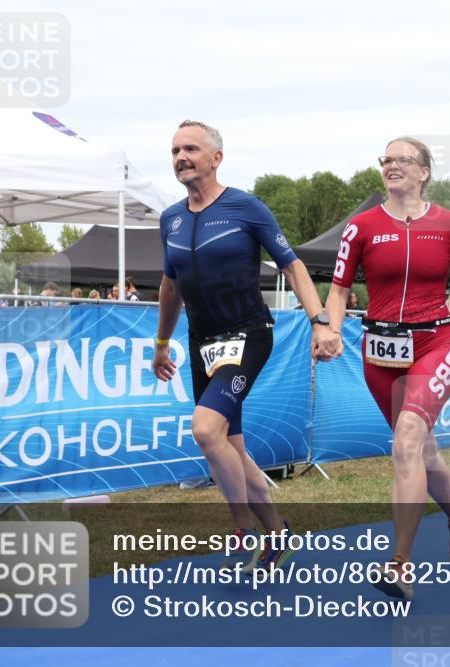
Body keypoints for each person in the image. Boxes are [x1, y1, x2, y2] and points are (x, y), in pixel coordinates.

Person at [324, 136, 450, 600]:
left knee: (406, 440)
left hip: (435, 343)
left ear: (424, 171)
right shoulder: (360, 227)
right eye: (386, 160)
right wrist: (325, 327)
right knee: (421, 452)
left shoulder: (449, 224)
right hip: (379, 351)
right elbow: (340, 289)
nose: (392, 166)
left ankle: (399, 564)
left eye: (402, 159)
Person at [152, 120, 339, 572]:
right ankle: (277, 532)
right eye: (175, 150)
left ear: (216, 158)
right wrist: (161, 343)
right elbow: (170, 286)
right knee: (229, 447)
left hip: (247, 335)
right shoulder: (170, 218)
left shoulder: (245, 208)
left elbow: (292, 267)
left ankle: (242, 530)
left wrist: (321, 322)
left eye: (191, 149)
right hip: (201, 343)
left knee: (204, 430)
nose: (181, 157)